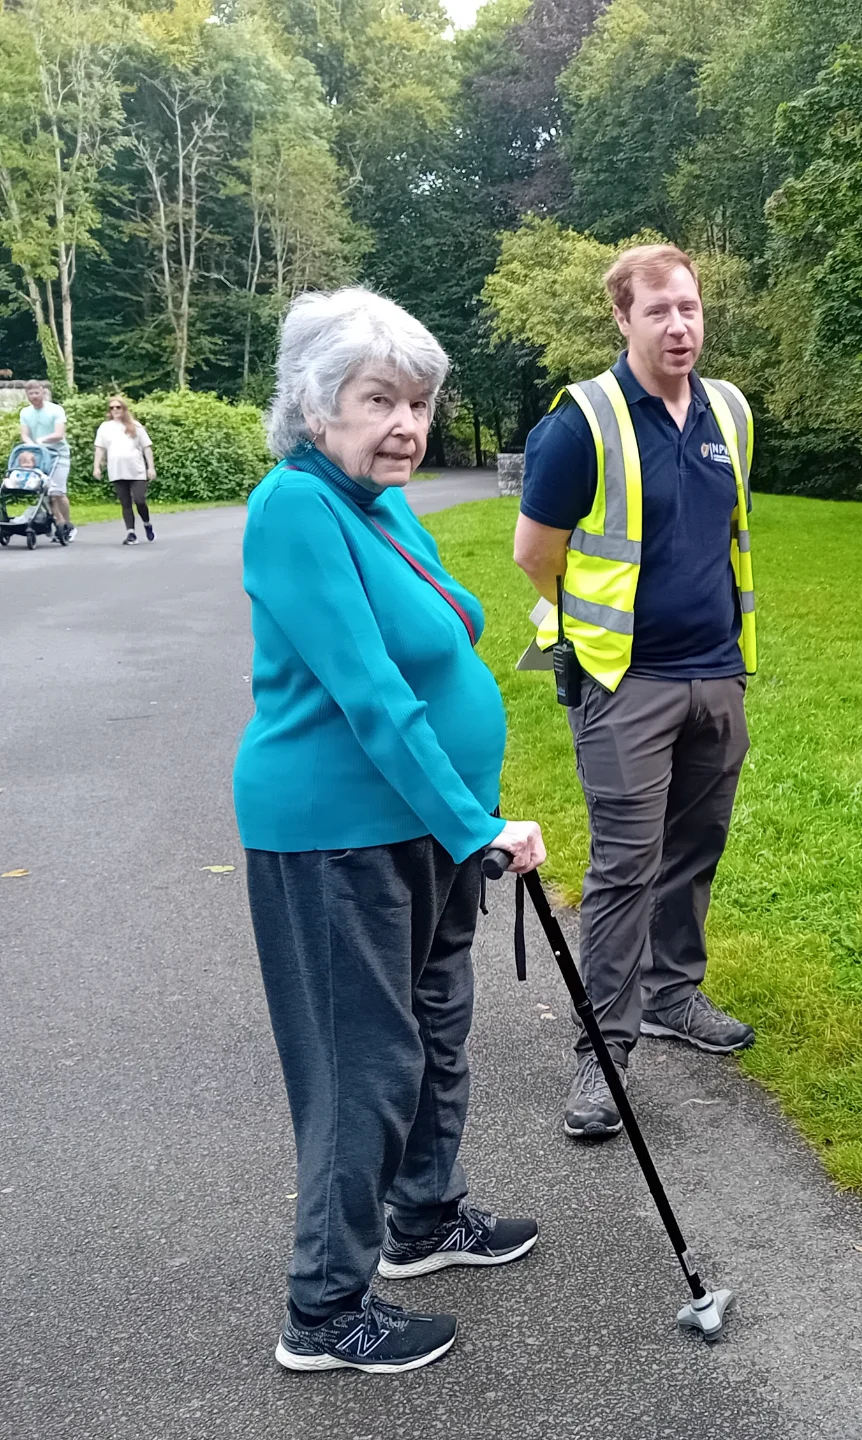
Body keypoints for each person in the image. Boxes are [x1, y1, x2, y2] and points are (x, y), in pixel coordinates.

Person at [235, 287, 548, 1375]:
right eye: (379, 400)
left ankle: (423, 1220)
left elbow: (446, 628)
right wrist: (476, 827)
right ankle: (322, 1313)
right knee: (360, 1068)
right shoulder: (295, 507)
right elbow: (371, 694)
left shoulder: (376, 503)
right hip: (334, 838)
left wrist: (460, 821)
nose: (406, 425)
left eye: (417, 403)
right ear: (318, 408)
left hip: (415, 833)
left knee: (434, 1034)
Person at [513, 242, 760, 1141]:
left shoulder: (729, 410)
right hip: (627, 683)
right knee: (626, 867)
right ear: (622, 319)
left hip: (716, 673)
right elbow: (534, 554)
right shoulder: (581, 423)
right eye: (657, 310)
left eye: (689, 307)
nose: (679, 325)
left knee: (696, 847)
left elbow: (723, 538)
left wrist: (726, 659)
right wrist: (587, 639)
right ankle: (602, 1050)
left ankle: (673, 996)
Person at [94, 396, 157, 545]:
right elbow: (100, 448)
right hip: (117, 470)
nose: (115, 410)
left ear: (124, 409)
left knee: (139, 499)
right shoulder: (105, 427)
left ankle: (147, 523)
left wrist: (151, 467)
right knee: (125, 502)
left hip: (136, 469)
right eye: (112, 408)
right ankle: (131, 533)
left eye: (118, 407)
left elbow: (147, 447)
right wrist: (96, 466)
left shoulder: (135, 426)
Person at [17, 379, 72, 541]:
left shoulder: (55, 410)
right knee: (45, 493)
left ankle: (68, 525)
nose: (34, 396)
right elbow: (24, 434)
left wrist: (42, 440)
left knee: (58, 492)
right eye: (30, 393)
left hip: (58, 454)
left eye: (36, 392)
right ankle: (58, 524)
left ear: (43, 392)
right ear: (27, 395)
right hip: (39, 455)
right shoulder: (25, 413)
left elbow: (59, 434)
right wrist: (31, 445)